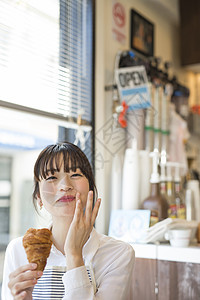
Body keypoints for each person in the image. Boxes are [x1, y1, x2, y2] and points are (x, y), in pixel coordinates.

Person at [2, 142, 135, 300]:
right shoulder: (18, 250)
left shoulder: (118, 254)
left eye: (75, 175)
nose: (65, 186)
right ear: (39, 197)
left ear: (91, 188)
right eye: (52, 177)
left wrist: (74, 254)